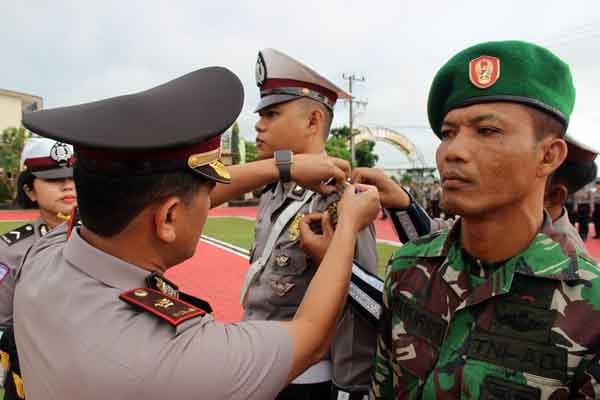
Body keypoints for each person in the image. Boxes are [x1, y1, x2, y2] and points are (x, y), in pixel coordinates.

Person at [13, 66, 381, 400]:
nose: (212, 202)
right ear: (169, 218)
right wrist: (347, 224)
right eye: (206, 195)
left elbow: (159, 195)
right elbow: (312, 336)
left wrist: (282, 167)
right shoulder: (185, 357)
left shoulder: (42, 257)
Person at [366, 40, 600, 398]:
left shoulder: (592, 306)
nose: (453, 152)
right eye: (448, 133)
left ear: (549, 155)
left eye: (487, 131)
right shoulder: (408, 267)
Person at [242, 48, 378, 400]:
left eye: (272, 113)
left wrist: (350, 388)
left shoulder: (339, 199)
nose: (259, 124)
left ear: (314, 121)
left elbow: (358, 308)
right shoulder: (274, 189)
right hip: (258, 363)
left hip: (307, 381)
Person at [0, 137, 76, 400]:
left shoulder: (111, 239)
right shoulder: (10, 251)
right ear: (30, 190)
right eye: (55, 179)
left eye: (73, 176)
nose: (67, 185)